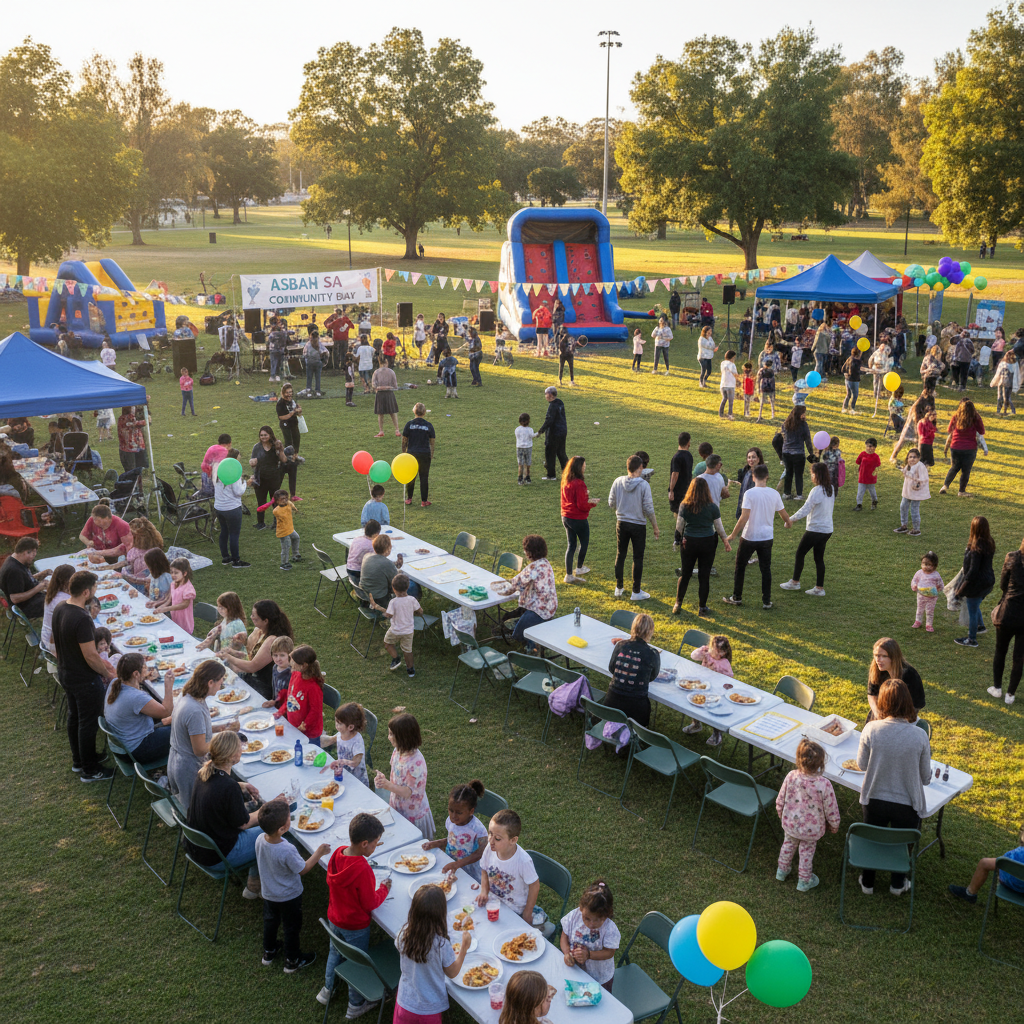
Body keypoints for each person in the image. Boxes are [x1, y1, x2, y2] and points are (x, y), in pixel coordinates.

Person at [855, 679, 931, 896]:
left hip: (874, 799)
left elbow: (861, 764)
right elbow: (925, 778)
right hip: (908, 805)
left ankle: (867, 882)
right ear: (908, 702)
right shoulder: (920, 736)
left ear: (883, 702)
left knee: (872, 840)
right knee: (902, 842)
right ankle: (898, 883)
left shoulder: (871, 729)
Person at [318, 812, 393, 1010]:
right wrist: (384, 889)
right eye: (376, 844)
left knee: (335, 951)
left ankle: (328, 989)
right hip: (355, 926)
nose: (376, 847)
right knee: (357, 962)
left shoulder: (338, 853)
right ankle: (356, 1004)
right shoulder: (362, 868)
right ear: (365, 844)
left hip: (335, 917)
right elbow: (369, 903)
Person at [186, 731, 265, 900]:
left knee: (262, 821)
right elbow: (243, 824)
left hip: (198, 848)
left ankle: (255, 881)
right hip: (219, 856)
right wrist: (267, 810)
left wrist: (241, 785)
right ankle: (255, 884)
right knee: (270, 828)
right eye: (239, 748)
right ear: (232, 756)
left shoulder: (204, 772)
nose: (241, 750)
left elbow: (220, 788)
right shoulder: (228, 787)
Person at [53, 570, 114, 781]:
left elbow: (55, 641)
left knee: (75, 717)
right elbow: (91, 655)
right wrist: (107, 673)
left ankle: (79, 760)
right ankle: (90, 769)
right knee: (88, 723)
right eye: (95, 588)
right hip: (83, 678)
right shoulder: (82, 617)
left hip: (66, 672)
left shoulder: (60, 607)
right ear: (86, 592)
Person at [255, 799, 328, 973]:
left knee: (270, 921)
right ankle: (292, 960)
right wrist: (319, 852)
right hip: (289, 896)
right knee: (291, 928)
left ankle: (269, 951)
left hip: (269, 893)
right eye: (289, 818)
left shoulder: (259, 839)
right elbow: (302, 869)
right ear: (282, 828)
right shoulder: (286, 849)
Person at [394, 884, 470, 1024]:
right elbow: (452, 972)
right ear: (441, 913)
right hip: (429, 1008)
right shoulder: (440, 944)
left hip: (405, 1002)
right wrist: (464, 948)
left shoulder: (403, 934)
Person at [167, 659, 238, 808]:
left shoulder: (188, 696)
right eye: (220, 681)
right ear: (210, 682)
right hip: (188, 769)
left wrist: (221, 728)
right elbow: (199, 749)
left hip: (176, 761)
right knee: (195, 812)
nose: (222, 684)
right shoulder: (194, 710)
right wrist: (224, 737)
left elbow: (196, 730)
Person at [775, 739, 841, 893]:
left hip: (791, 824)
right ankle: (804, 882)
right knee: (806, 852)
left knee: (788, 845)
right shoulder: (824, 784)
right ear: (821, 764)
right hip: (811, 830)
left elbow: (780, 799)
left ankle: (782, 871)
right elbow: (831, 808)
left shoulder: (791, 776)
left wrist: (781, 813)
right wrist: (834, 824)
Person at [724, 464, 791, 610]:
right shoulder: (774, 494)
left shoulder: (749, 494)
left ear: (753, 477)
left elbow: (744, 518)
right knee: (765, 569)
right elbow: (784, 514)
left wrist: (733, 535)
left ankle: (736, 597)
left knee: (740, 566)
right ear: (767, 476)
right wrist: (788, 523)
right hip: (766, 537)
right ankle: (766, 601)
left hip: (749, 536)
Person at [672, 478, 731, 617]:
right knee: (704, 576)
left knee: (685, 574)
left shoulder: (684, 506)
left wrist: (677, 540)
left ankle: (677, 604)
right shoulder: (712, 507)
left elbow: (679, 527)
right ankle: (702, 608)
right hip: (708, 542)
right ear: (706, 490)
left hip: (689, 542)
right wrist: (726, 541)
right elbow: (719, 528)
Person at [489, 535, 558, 648]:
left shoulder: (532, 569)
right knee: (516, 617)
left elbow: (513, 586)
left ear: (529, 552)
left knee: (517, 635)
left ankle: (531, 644)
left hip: (538, 610)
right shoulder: (546, 564)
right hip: (550, 606)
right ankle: (529, 628)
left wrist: (494, 589)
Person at [374, 713, 435, 840]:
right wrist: (384, 779)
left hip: (412, 813)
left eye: (391, 734)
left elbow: (408, 792)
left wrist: (388, 785)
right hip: (398, 807)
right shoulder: (398, 751)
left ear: (403, 737)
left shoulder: (416, 763)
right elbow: (397, 775)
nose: (388, 737)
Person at [104, 653, 174, 761]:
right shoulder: (135, 697)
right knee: (182, 727)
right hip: (137, 751)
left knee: (174, 721)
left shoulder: (115, 683)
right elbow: (166, 712)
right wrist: (168, 686)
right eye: (145, 667)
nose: (148, 669)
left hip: (121, 747)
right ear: (136, 674)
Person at [608, 455, 659, 601]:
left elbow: (611, 503)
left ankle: (619, 587)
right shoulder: (644, 485)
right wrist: (655, 527)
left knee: (621, 554)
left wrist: (623, 508)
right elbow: (648, 509)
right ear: (640, 468)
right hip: (638, 525)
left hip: (621, 523)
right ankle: (636, 591)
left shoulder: (618, 481)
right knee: (637, 557)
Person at [220, 600, 295, 699]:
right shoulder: (259, 630)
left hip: (265, 687)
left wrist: (228, 657)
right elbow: (249, 653)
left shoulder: (272, 640)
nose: (251, 618)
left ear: (265, 621)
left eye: (255, 617)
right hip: (254, 676)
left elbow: (252, 666)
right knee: (221, 673)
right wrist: (244, 641)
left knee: (223, 676)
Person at [779, 463, 835, 597]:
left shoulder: (816, 491)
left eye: (813, 473)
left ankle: (795, 582)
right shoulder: (830, 489)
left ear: (818, 475)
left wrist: (790, 520)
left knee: (800, 553)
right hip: (827, 530)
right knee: (818, 558)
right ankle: (819, 588)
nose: (811, 476)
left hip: (816, 529)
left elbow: (805, 509)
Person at [476, 809, 540, 919]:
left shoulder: (523, 861)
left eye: (497, 838)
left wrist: (528, 912)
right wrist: (483, 891)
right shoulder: (489, 848)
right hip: (493, 902)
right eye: (490, 833)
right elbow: (484, 869)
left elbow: (534, 885)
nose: (491, 841)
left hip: (514, 910)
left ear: (513, 840)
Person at [421, 780, 488, 881]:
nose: (453, 816)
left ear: (471, 811)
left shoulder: (477, 829)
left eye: (459, 813)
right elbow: (453, 838)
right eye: (450, 810)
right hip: (451, 864)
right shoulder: (451, 821)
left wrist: (457, 864)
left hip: (469, 872)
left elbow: (481, 853)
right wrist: (435, 843)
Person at [602, 613, 660, 727]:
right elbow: (652, 677)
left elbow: (611, 668)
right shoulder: (652, 653)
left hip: (611, 703)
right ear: (650, 631)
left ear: (633, 627)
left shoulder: (620, 645)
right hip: (636, 710)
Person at [559, 880, 620, 991]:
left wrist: (588, 955)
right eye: (587, 918)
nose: (591, 924)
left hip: (599, 977)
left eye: (597, 920)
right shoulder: (574, 917)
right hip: (575, 969)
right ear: (581, 908)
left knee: (598, 1003)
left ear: (608, 914)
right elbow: (564, 936)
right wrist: (567, 953)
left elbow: (609, 952)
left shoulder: (609, 929)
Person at [949, 824, 1024, 905]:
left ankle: (970, 893)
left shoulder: (1017, 853)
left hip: (1007, 882)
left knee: (984, 863)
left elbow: (1002, 862)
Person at [989, 539, 1024, 705]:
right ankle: (1010, 694)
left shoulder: (1011, 557)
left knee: (1000, 650)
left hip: (1008, 611)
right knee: (1019, 657)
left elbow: (1003, 583)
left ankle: (997, 687)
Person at [953, 515, 996, 648]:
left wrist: (960, 590)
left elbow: (972, 572)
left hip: (977, 584)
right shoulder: (989, 542)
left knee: (972, 609)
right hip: (988, 581)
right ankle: (980, 626)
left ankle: (971, 639)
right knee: (975, 605)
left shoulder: (976, 548)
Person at [271, 644, 325, 743]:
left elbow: (315, 711)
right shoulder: (295, 674)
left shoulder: (313, 687)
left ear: (304, 666)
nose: (290, 662)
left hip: (309, 734)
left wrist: (304, 725)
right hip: (294, 727)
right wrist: (281, 711)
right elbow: (290, 697)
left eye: (293, 661)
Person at [371, 573, 421, 677]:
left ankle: (396, 658)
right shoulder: (412, 600)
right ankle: (410, 670)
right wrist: (415, 612)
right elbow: (420, 611)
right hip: (408, 631)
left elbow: (389, 614)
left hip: (395, 630)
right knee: (408, 651)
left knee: (388, 643)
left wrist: (383, 612)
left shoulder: (393, 602)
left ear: (393, 588)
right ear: (407, 587)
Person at [560, 456, 598, 584]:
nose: (585, 468)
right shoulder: (579, 483)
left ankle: (569, 574)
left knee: (571, 545)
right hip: (578, 518)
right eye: (583, 466)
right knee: (584, 542)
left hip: (566, 517)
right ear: (579, 467)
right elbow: (582, 505)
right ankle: (579, 568)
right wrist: (592, 503)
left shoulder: (566, 481)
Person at [867, 637, 924, 719]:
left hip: (904, 718)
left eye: (884, 656)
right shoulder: (877, 669)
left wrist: (893, 720)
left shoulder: (910, 674)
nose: (878, 660)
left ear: (893, 657)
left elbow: (917, 704)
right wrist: (877, 713)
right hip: (881, 714)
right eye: (876, 655)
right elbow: (872, 694)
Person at [941, 398, 987, 497]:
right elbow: (982, 431)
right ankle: (961, 491)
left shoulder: (956, 416)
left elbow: (949, 429)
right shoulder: (976, 417)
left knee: (954, 467)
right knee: (966, 470)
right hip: (969, 448)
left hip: (955, 446)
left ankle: (945, 486)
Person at [213, 450, 250, 568]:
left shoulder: (218, 471)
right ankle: (236, 560)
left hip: (219, 508)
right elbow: (238, 492)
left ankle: (226, 557)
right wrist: (246, 483)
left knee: (224, 531)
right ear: (235, 458)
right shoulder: (234, 472)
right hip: (232, 508)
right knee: (234, 534)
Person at [1, 536, 51, 619]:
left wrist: (41, 575)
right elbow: (15, 599)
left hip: (31, 600)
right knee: (59, 601)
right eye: (33, 553)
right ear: (25, 552)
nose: (34, 556)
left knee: (56, 593)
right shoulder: (14, 570)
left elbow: (24, 580)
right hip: (24, 608)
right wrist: (39, 587)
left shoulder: (14, 559)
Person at [323, 702, 371, 787]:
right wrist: (313, 739)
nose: (336, 725)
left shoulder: (357, 741)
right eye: (336, 721)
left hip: (358, 781)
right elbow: (329, 740)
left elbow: (355, 762)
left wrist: (341, 761)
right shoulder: (341, 734)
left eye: (339, 723)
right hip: (344, 774)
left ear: (350, 727)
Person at [249, 426, 287, 529]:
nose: (263, 437)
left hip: (274, 478)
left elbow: (283, 460)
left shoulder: (276, 446)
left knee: (275, 501)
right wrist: (252, 462)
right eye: (261, 435)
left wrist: (281, 450)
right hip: (260, 478)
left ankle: (277, 523)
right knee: (261, 501)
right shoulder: (257, 447)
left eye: (265, 435)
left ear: (270, 435)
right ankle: (260, 523)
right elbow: (252, 462)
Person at [153, 557, 196, 632]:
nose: (173, 575)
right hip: (175, 619)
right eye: (171, 572)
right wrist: (161, 606)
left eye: (176, 573)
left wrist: (167, 609)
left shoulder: (188, 588)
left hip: (185, 622)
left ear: (185, 573)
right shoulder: (173, 584)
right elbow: (169, 599)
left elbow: (184, 604)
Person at [780, 406, 815, 500]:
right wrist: (811, 453)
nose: (805, 415)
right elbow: (807, 440)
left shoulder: (785, 424)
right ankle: (799, 494)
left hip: (786, 452)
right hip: (798, 453)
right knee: (798, 474)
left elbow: (783, 436)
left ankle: (786, 493)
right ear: (800, 414)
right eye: (804, 413)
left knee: (789, 473)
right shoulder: (803, 425)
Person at [894, 448, 930, 537]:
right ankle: (904, 525)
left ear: (918, 458)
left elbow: (923, 479)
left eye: (914, 457)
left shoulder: (920, 467)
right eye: (910, 457)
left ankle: (916, 529)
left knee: (914, 510)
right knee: (903, 507)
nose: (912, 459)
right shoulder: (908, 465)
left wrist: (916, 483)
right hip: (907, 492)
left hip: (916, 493)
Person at [40, 563, 74, 654]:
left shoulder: (53, 592)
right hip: (55, 644)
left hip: (46, 636)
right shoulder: (64, 601)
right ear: (67, 581)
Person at [536, 386, 568, 482]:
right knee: (561, 453)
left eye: (546, 394)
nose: (545, 396)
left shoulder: (552, 406)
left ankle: (551, 475)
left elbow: (549, 421)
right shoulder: (560, 402)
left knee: (550, 453)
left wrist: (540, 431)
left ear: (550, 395)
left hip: (554, 433)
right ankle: (568, 473)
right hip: (562, 431)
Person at [668, 432, 693, 548]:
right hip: (687, 490)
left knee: (678, 515)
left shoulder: (677, 457)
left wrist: (671, 490)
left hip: (678, 491)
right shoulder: (689, 456)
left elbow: (675, 474)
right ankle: (683, 537)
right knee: (684, 514)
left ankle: (678, 539)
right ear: (688, 443)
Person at [911, 551, 944, 632]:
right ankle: (918, 621)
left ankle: (929, 624)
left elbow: (940, 583)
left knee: (930, 611)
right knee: (919, 609)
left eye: (930, 565)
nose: (926, 567)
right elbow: (914, 580)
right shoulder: (919, 573)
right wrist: (914, 586)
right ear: (921, 564)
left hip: (932, 597)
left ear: (935, 566)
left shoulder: (936, 575)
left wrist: (940, 588)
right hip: (921, 595)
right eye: (924, 564)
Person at [271, 489, 300, 571]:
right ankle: (284, 563)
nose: (285, 500)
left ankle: (295, 555)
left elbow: (291, 504)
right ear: (277, 501)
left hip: (290, 528)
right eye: (282, 499)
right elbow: (283, 516)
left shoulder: (288, 503)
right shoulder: (276, 511)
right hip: (283, 532)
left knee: (296, 538)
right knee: (286, 546)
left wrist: (295, 509)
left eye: (286, 498)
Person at [370, 359, 400, 437]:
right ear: (387, 362)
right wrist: (388, 386)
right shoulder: (391, 372)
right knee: (393, 412)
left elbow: (373, 385)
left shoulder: (376, 372)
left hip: (380, 394)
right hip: (389, 393)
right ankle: (397, 430)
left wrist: (379, 388)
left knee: (380, 414)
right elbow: (395, 385)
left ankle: (381, 431)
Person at [346, 520, 380, 585]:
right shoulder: (371, 545)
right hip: (359, 572)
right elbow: (377, 559)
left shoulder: (356, 539)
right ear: (376, 534)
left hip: (349, 568)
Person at [116, 406, 148, 473]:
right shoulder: (124, 419)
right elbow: (135, 422)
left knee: (143, 469)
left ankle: (140, 481)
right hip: (128, 449)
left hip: (138, 447)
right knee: (132, 471)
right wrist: (146, 419)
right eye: (133, 409)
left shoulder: (133, 418)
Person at [276, 383, 303, 455]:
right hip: (286, 425)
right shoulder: (280, 403)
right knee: (289, 442)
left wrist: (299, 409)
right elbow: (281, 417)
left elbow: (297, 407)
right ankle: (288, 458)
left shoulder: (292, 400)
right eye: (287, 392)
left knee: (297, 439)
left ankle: (295, 456)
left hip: (294, 423)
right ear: (283, 393)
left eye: (290, 392)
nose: (289, 394)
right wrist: (291, 413)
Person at [991, 350, 1020, 415]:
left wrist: (993, 382)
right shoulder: (1013, 364)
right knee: (1005, 397)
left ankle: (1002, 410)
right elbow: (1016, 375)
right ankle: (1007, 410)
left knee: (1003, 397)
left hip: (1004, 382)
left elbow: (998, 374)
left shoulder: (1004, 363)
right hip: (1007, 382)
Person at [301, 331, 328, 397]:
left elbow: (305, 353)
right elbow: (326, 351)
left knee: (313, 377)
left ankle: (312, 391)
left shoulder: (311, 344)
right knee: (314, 377)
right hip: (314, 363)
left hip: (313, 363)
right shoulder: (314, 344)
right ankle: (313, 391)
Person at [515, 412, 536, 486]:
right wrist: (538, 433)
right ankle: (527, 477)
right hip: (528, 448)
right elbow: (532, 436)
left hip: (519, 448)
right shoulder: (530, 429)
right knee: (528, 463)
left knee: (520, 464)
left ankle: (520, 478)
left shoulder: (517, 429)